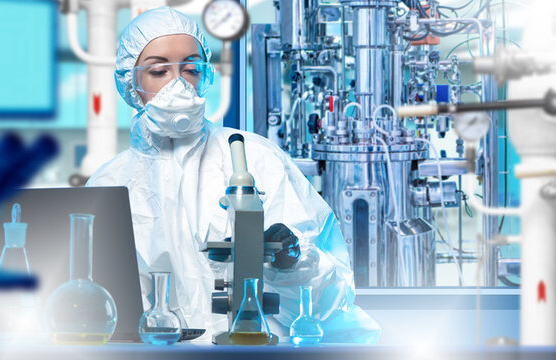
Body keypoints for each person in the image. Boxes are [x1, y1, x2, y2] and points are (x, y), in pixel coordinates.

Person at [87, 6, 379, 343]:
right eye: (158, 72)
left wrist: (292, 262)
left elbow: (330, 301)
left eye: (191, 68)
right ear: (130, 82)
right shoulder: (110, 183)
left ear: (204, 74)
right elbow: (99, 308)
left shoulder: (255, 156)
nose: (178, 85)